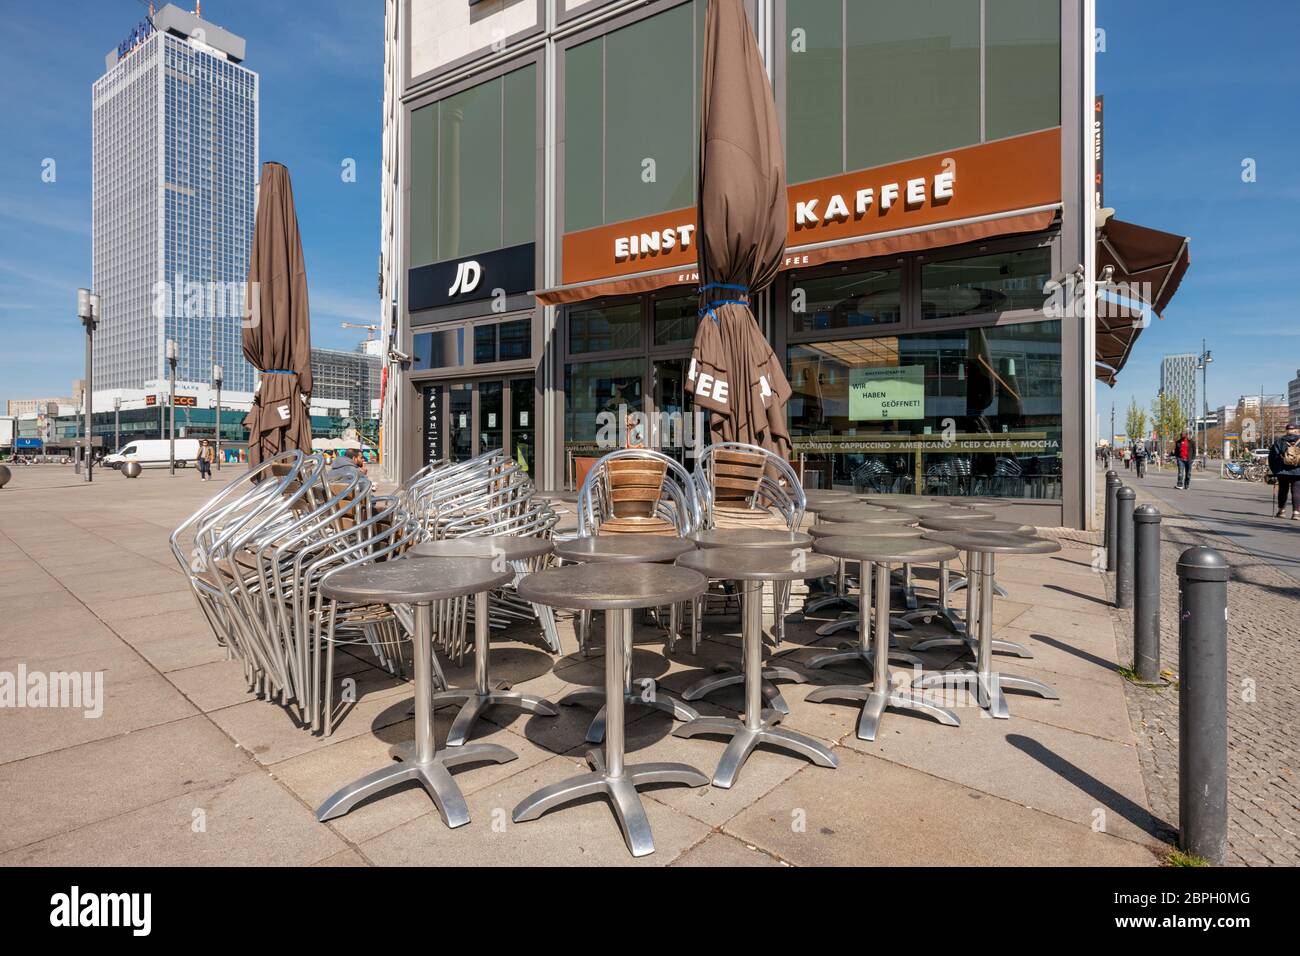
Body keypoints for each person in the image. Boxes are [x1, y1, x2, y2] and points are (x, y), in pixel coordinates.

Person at [1267, 422, 1300, 519]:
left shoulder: (1279, 441)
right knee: (1297, 491)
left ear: (1286, 430)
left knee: (1282, 490)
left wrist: (1274, 471)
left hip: (1282, 471)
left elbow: (1272, 457)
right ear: (1297, 430)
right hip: (1298, 470)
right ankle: (1296, 513)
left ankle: (1281, 511)